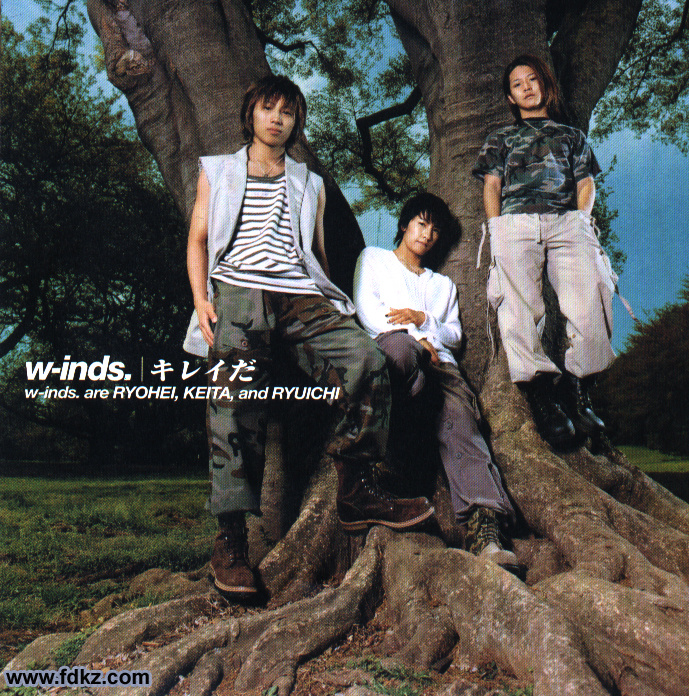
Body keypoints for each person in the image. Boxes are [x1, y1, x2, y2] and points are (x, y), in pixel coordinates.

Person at [184, 75, 433, 596]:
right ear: (251, 113)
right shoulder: (218, 170)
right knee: (232, 396)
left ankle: (356, 488)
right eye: (267, 108)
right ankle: (231, 540)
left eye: (287, 112)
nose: (276, 119)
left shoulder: (308, 182)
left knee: (367, 361)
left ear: (296, 121)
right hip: (238, 289)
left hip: (299, 293)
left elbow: (314, 255)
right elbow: (199, 240)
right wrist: (201, 299)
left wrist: (328, 304)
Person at [353, 193, 518, 571]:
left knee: (461, 420)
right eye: (421, 224)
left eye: (435, 230)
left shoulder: (442, 285)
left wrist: (423, 319)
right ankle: (386, 462)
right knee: (401, 350)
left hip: (440, 366)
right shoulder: (373, 259)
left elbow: (454, 336)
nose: (427, 235)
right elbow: (368, 311)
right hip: (394, 354)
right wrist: (417, 338)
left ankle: (485, 528)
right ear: (405, 224)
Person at [472, 54, 618, 447]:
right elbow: (491, 185)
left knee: (590, 298)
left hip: (566, 222)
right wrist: (496, 227)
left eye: (532, 79)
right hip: (514, 224)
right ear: (510, 97)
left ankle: (578, 387)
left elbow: (585, 182)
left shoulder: (571, 136)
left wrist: (581, 218)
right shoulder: (500, 138)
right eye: (517, 84)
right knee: (517, 306)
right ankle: (541, 396)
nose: (526, 87)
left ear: (544, 85)